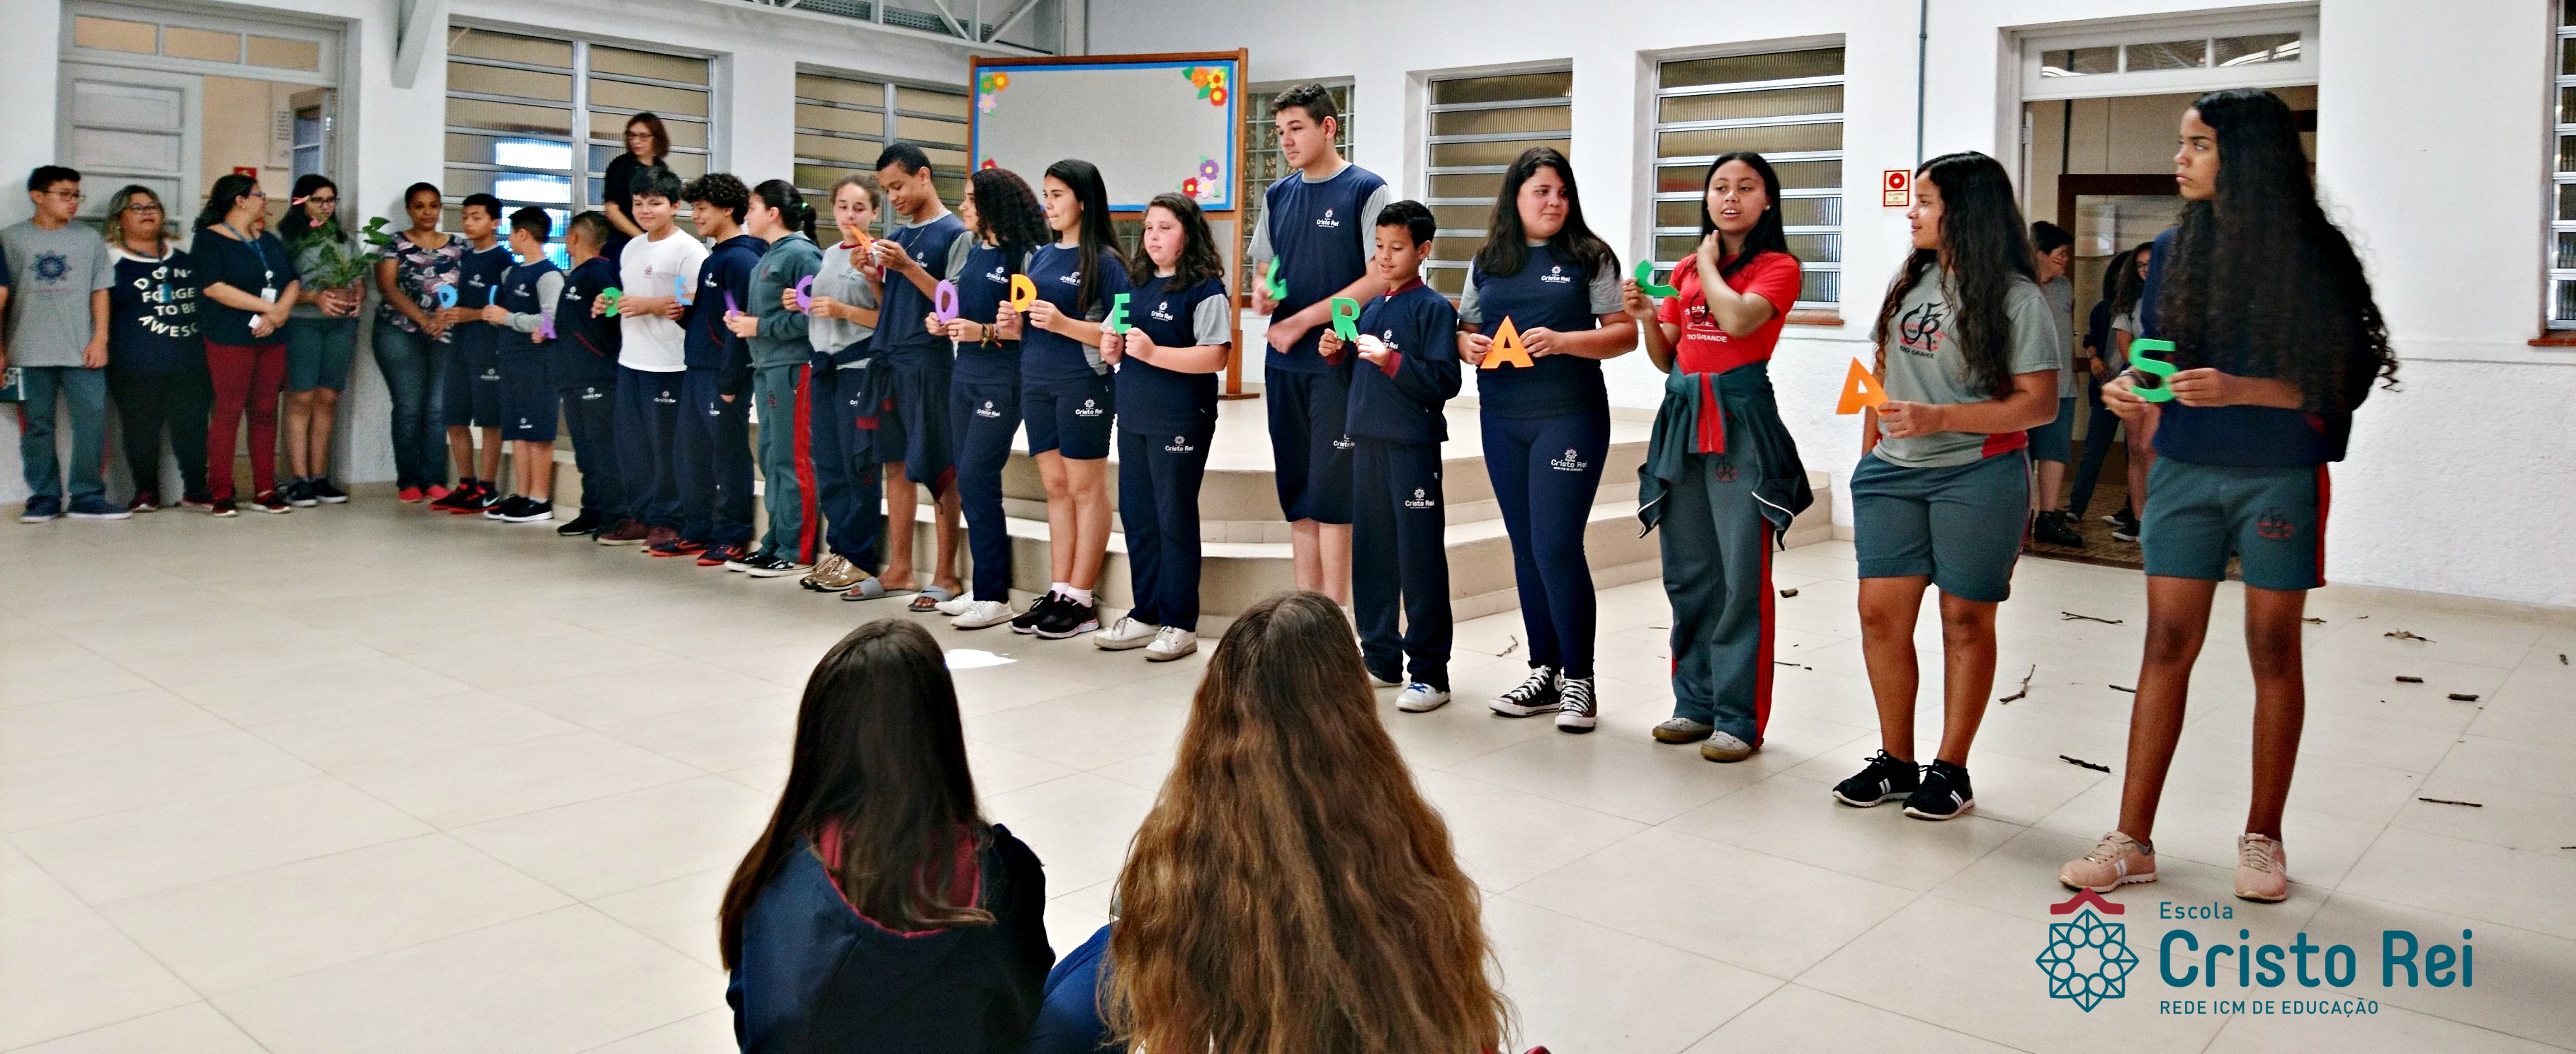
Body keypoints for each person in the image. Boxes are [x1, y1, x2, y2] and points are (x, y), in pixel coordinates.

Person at [2060, 89, 2398, 903]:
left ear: (2245, 157)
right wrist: (2131, 385)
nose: (2179, 159)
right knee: (2164, 646)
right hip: (2182, 470)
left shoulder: (2313, 255)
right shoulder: (2174, 248)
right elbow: (2160, 354)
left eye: (2199, 145)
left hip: (2278, 474)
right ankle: (2132, 840)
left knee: (2272, 652)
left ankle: (2262, 839)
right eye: (2183, 143)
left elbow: (2344, 382)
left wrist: (2245, 390)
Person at [1023, 591, 1509, 1054]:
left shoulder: (1180, 844)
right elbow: (1464, 1013)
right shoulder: (1402, 833)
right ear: (1351, 704)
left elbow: (1175, 1028)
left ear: (1215, 704)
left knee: (1107, 952)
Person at [1828, 151, 2059, 819]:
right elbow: (1879, 373)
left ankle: (1951, 768)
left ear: (1966, 212)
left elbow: (2039, 404)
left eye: (1925, 201)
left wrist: (1942, 418)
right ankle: (1895, 762)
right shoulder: (1913, 279)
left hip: (1978, 474)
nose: (1912, 212)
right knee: (1879, 614)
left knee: (1964, 619)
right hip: (1892, 474)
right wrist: (1867, 459)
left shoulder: (2018, 298)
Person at [719, 618, 1052, 1053]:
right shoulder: (1001, 870)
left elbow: (749, 1012)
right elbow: (1020, 1008)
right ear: (940, 730)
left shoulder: (773, 868)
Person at [1623, 152, 1810, 761]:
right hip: (1682, 422)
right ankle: (1694, 703)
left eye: (1745, 187)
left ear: (1767, 200)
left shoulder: (1778, 267)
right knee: (1688, 571)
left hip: (1740, 424)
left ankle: (1738, 717)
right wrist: (1647, 319)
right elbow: (1668, 357)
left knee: (1739, 577)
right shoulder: (1682, 269)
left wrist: (1705, 262)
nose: (1730, 197)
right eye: (1720, 187)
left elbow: (1735, 319)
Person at [1458, 147, 1637, 732]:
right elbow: (1466, 328)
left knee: (1556, 545)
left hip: (1569, 417)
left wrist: (1564, 342)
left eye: (1562, 192)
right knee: (1524, 547)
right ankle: (1545, 670)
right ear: (1516, 197)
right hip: (1501, 418)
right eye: (1541, 191)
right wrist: (1467, 346)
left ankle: (1579, 678)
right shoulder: (1488, 260)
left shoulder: (1589, 257)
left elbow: (1623, 335)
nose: (1554, 202)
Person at [1245, 84, 1395, 605]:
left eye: (1296, 128)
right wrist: (1264, 290)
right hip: (1285, 362)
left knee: (1333, 492)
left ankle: (1336, 619)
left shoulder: (1366, 190)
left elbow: (1377, 277)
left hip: (1337, 360)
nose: (1285, 140)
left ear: (1328, 127)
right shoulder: (1278, 195)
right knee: (1298, 490)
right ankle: (1306, 616)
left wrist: (1303, 320)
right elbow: (1266, 268)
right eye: (1280, 131)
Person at [1319, 201, 1461, 713]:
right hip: (1368, 444)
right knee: (1373, 552)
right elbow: (1359, 380)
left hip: (1411, 448)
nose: (1384, 256)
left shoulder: (1433, 309)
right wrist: (1338, 354)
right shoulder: (1372, 307)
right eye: (1379, 246)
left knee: (1419, 558)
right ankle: (1379, 657)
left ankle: (1430, 673)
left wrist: (1391, 358)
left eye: (1396, 247)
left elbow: (1444, 381)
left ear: (1422, 251)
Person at [1091, 193, 1232, 662]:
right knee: (1138, 516)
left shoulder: (1205, 290)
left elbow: (1215, 356)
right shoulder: (1134, 285)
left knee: (1173, 517)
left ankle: (1180, 622)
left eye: (1165, 228)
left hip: (1180, 420)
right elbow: (1112, 341)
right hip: (1134, 416)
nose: (1153, 237)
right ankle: (1145, 612)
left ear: (1188, 234)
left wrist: (1153, 354)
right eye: (1149, 227)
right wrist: (1111, 348)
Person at [994, 159, 1128, 639]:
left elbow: (1119, 333)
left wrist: (1063, 323)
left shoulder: (1107, 262)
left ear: (1083, 202)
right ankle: (1059, 590)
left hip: (1083, 383)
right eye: (1045, 195)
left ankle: (1082, 598)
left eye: (1057, 195)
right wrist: (1013, 323)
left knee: (1085, 488)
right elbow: (1027, 329)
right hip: (1036, 381)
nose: (1047, 204)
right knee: (1055, 487)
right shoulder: (1038, 258)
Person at [930, 166, 1045, 630]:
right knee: (968, 477)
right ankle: (982, 588)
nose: (962, 206)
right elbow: (960, 305)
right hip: (965, 375)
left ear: (994, 205)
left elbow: (1030, 328)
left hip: (1004, 379)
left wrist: (984, 331)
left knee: (979, 476)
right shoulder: (973, 248)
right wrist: (943, 321)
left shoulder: (1025, 256)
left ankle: (994, 594)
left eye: (971, 199)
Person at [866, 143, 969, 608]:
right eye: (887, 190)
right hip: (892, 359)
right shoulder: (897, 236)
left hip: (930, 362)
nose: (894, 197)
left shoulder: (954, 234)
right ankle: (901, 567)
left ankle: (947, 573)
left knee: (939, 467)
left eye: (899, 186)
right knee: (896, 464)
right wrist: (873, 277)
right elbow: (893, 303)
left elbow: (952, 302)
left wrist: (906, 266)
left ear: (924, 176)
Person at [659, 172, 764, 565]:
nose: (696, 216)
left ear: (728, 209)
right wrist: (684, 316)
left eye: (703, 209)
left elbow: (741, 326)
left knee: (727, 454)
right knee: (692, 454)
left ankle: (733, 534)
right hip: (698, 368)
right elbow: (715, 320)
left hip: (722, 374)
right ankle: (698, 528)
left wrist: (731, 380)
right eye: (694, 208)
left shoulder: (740, 259)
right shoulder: (715, 258)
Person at [4, 165, 120, 521]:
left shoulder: (88, 239)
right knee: (37, 427)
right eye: (64, 195)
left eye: (76, 195)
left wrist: (100, 338)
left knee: (92, 422)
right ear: (37, 196)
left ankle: (87, 496)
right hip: (26, 349)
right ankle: (44, 497)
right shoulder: (10, 239)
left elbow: (100, 290)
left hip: (81, 349)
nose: (73, 202)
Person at [797, 175, 890, 599]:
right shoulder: (829, 255)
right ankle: (838, 550)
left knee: (858, 463)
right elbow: (822, 310)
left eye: (859, 208)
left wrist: (843, 310)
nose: (849, 215)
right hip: (825, 368)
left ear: (874, 213)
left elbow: (887, 319)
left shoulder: (879, 256)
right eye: (842, 207)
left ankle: (859, 554)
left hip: (859, 368)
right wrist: (801, 304)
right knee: (829, 461)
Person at [725, 178, 824, 576]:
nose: (746, 216)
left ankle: (796, 549)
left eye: (751, 208)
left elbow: (815, 317)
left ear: (772, 213)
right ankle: (774, 541)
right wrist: (746, 324)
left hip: (793, 367)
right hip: (767, 367)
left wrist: (760, 326)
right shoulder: (768, 256)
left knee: (791, 457)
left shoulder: (801, 254)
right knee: (770, 455)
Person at [190, 174, 303, 516]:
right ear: (239, 200)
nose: (264, 200)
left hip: (272, 335)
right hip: (229, 336)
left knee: (266, 411)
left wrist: (279, 312)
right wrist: (269, 308)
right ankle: (222, 491)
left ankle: (265, 489)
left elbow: (292, 280)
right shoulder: (209, 239)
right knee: (228, 411)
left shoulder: (267, 240)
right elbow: (214, 287)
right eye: (259, 194)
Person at [606, 165, 705, 552]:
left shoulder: (688, 250)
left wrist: (649, 305)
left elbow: (692, 301)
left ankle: (669, 519)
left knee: (666, 447)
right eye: (638, 203)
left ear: (675, 206)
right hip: (632, 360)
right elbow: (629, 296)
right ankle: (643, 514)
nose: (645, 210)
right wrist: (609, 303)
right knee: (633, 446)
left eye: (655, 203)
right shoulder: (632, 248)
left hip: (670, 363)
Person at [97, 186, 209, 513]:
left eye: (153, 207)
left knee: (192, 427)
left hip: (190, 361)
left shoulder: (183, 249)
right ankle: (146, 491)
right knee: (140, 430)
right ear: (119, 218)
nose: (147, 213)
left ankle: (197, 489)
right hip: (133, 364)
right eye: (137, 208)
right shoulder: (108, 257)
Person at [372, 182, 463, 503]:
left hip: (445, 332)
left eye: (433, 205)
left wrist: (442, 320)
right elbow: (388, 288)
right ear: (409, 210)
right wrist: (424, 321)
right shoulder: (393, 244)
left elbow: (467, 289)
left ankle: (434, 479)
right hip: (399, 332)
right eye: (420, 206)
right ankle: (408, 481)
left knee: (438, 408)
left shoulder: (459, 246)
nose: (427, 212)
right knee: (409, 407)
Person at [276, 174, 363, 506]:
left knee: (328, 398)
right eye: (318, 200)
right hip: (302, 323)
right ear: (301, 201)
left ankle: (319, 476)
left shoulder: (343, 239)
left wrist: (357, 296)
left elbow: (358, 278)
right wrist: (313, 297)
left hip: (340, 325)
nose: (326, 207)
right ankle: (298, 479)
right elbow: (277, 290)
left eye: (331, 200)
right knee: (301, 398)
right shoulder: (287, 239)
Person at [429, 193, 512, 514]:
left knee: (490, 420)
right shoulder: (463, 257)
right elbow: (456, 299)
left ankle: (487, 489)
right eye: (465, 217)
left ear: (495, 223)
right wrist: (446, 313)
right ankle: (466, 484)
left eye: (476, 217)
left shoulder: (503, 261)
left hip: (489, 348)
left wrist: (473, 314)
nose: (468, 223)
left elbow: (509, 309)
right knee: (454, 416)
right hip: (460, 346)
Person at [480, 207, 562, 523]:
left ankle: (540, 499)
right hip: (511, 361)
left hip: (537, 364)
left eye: (511, 233)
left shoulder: (549, 275)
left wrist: (509, 319)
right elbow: (508, 315)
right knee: (518, 430)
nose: (509, 239)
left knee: (537, 431)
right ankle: (523, 494)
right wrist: (495, 317)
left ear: (523, 234)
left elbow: (551, 321)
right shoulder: (511, 274)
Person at [550, 211, 628, 540]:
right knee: (585, 451)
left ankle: (615, 515)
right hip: (573, 377)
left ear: (574, 237)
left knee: (603, 449)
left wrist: (607, 306)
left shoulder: (599, 272)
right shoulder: (578, 275)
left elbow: (616, 308)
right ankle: (592, 510)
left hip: (598, 377)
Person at [2065, 243, 2147, 527]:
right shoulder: (2105, 309)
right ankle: (2076, 506)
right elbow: (2090, 340)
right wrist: (2094, 359)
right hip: (2107, 385)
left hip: (2137, 387)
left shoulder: (2146, 308)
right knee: (2095, 446)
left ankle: (2132, 511)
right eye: (2138, 268)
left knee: (2135, 450)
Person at [2026, 220, 2085, 548]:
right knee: (2021, 453)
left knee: (2055, 452)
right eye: (2060, 254)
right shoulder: (2015, 286)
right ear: (2040, 254)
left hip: (2062, 385)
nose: (2065, 260)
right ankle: (2021, 516)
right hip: (2024, 386)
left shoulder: (2064, 287)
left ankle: (2048, 517)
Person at [2109, 245, 2157, 543]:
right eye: (2140, 265)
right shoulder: (2131, 303)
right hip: (2138, 377)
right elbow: (2125, 345)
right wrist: (2137, 373)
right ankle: (2139, 519)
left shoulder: (2175, 297)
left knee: (2152, 449)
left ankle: (2154, 519)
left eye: (2151, 263)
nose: (2146, 269)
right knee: (2137, 450)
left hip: (2167, 381)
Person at [599, 112, 671, 261]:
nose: (636, 141)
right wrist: (642, 238)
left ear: (656, 138)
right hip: (622, 242)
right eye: (632, 136)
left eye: (643, 137)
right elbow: (612, 210)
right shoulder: (620, 166)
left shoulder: (661, 168)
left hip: (652, 241)